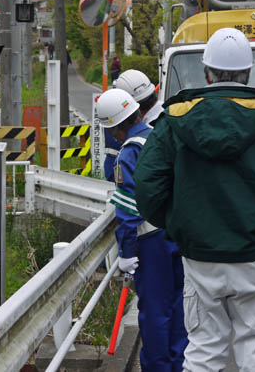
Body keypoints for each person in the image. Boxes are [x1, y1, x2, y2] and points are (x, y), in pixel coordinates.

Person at [134, 27, 255, 372]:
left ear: (206, 72)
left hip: (199, 257)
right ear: (248, 72)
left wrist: (177, 226)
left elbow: (146, 185)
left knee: (203, 350)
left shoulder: (175, 118)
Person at [97, 88, 188, 371]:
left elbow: (127, 210)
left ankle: (158, 367)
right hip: (178, 234)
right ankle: (179, 363)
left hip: (151, 241)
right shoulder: (160, 136)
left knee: (155, 311)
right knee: (179, 306)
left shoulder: (128, 152)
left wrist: (125, 252)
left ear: (113, 128)